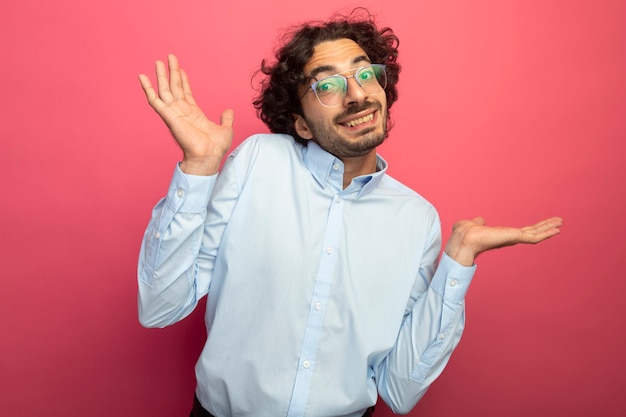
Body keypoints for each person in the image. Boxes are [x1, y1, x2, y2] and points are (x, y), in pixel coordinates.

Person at [137, 9, 562, 417]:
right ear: (301, 124)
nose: (357, 94)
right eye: (327, 85)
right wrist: (198, 168)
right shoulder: (256, 162)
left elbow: (399, 388)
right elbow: (159, 307)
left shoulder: (417, 219)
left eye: (365, 74)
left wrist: (458, 262)